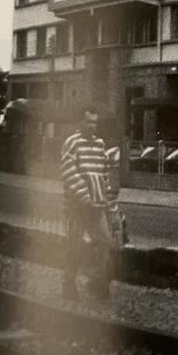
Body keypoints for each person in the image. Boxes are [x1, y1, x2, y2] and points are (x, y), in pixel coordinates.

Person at [60, 108, 119, 301]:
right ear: (80, 123)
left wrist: (109, 199)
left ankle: (96, 281)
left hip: (97, 205)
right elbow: (69, 173)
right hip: (77, 206)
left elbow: (104, 175)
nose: (92, 126)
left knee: (105, 242)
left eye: (94, 122)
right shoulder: (71, 143)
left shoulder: (100, 144)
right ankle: (68, 283)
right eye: (88, 122)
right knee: (74, 244)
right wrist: (85, 198)